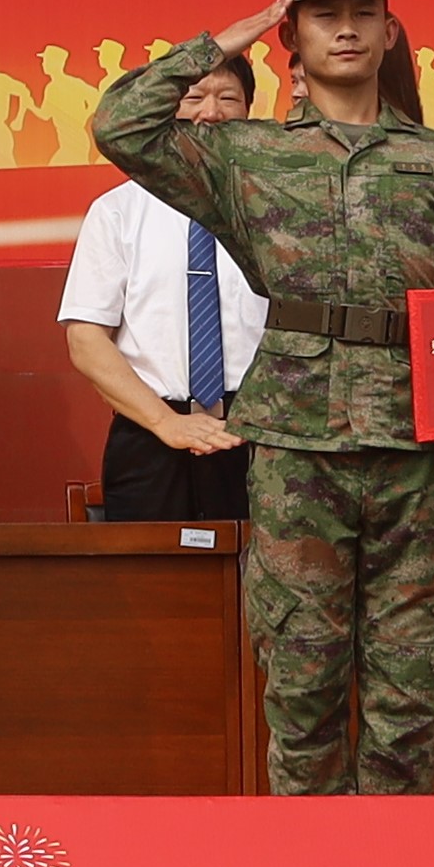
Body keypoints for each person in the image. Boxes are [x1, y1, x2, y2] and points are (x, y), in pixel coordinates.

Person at [98, 0, 434, 793]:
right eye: (324, 14)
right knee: (303, 689)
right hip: (297, 450)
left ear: (389, 30)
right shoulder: (244, 154)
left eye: (362, 12)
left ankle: (394, 865)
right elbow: (120, 125)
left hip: (417, 452)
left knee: (409, 694)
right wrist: (225, 40)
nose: (346, 29)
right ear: (293, 35)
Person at [56, 51, 268, 523]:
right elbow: (85, 340)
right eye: (194, 97)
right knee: (151, 568)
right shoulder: (117, 211)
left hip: (258, 434)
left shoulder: (275, 212)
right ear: (167, 108)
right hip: (149, 436)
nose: (210, 112)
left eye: (228, 98)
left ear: (249, 112)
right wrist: (165, 422)